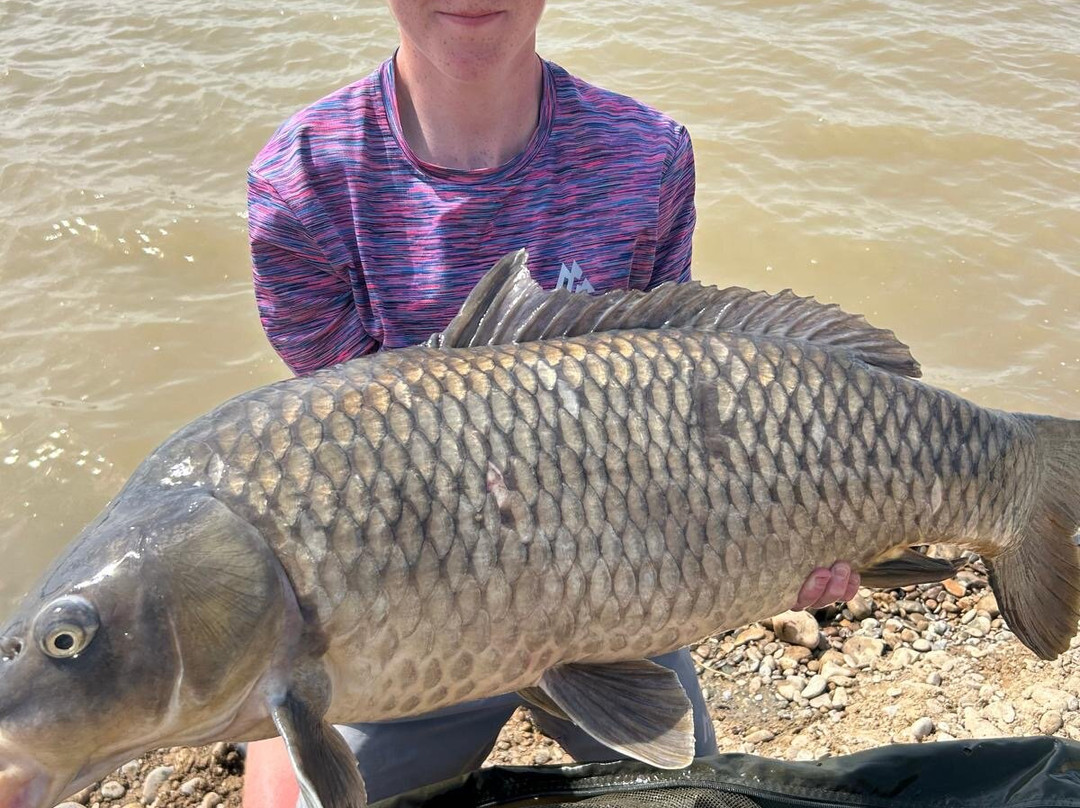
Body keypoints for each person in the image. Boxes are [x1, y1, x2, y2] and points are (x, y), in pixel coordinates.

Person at [243, 2, 860, 805]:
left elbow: (679, 407)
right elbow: (338, 468)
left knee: (686, 789)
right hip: (409, 612)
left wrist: (789, 536)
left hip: (612, 587)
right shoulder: (299, 183)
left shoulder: (648, 155)